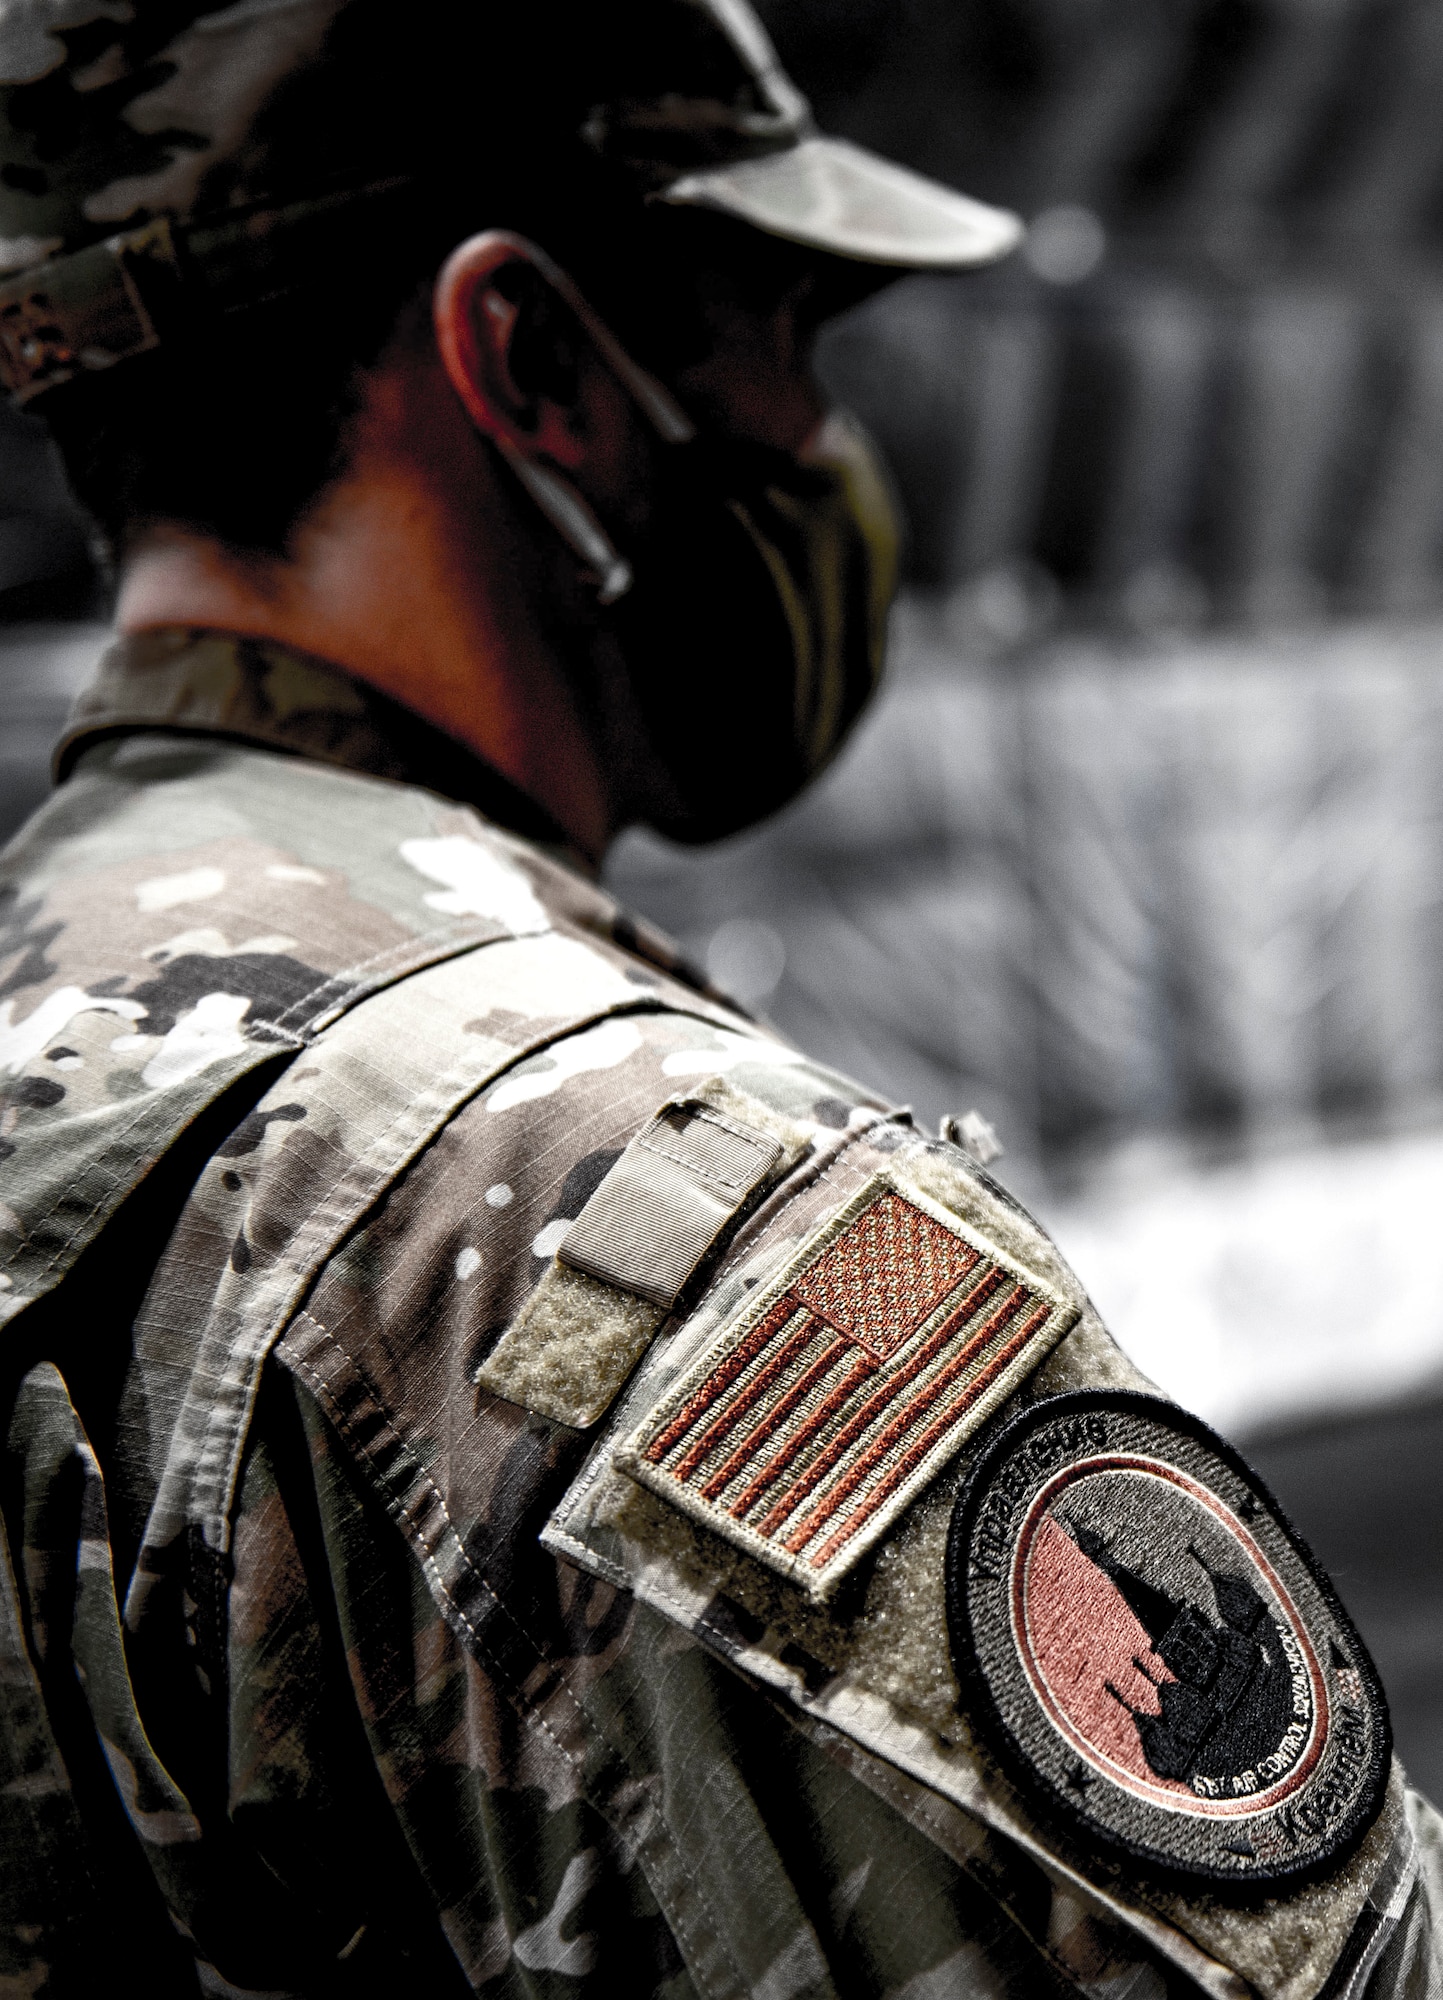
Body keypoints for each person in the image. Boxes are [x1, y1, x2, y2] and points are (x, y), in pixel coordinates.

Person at [0, 3, 1437, 1994]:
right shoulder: (632, 1215)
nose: (823, 449)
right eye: (783, 332)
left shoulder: (54, 1033)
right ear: (528, 360)